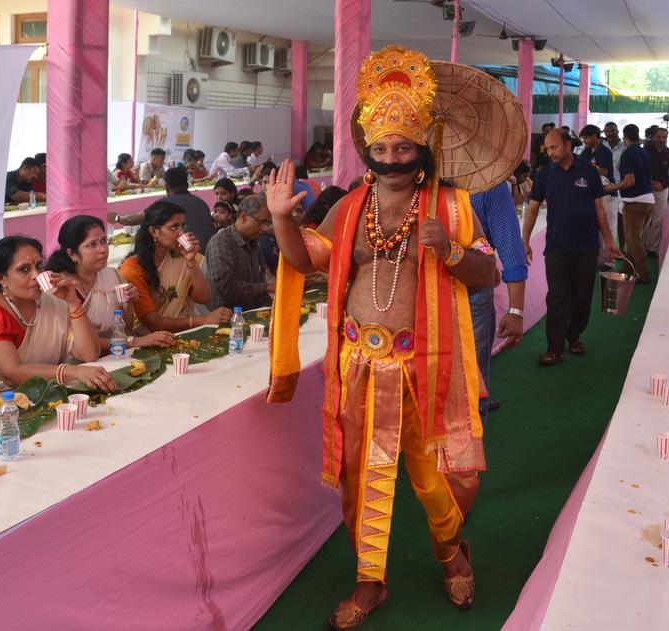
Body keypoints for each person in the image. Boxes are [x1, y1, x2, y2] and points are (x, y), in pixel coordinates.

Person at [265, 45, 498, 628]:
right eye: (381, 148)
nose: (391, 158)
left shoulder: (452, 204)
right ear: (367, 150)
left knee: (434, 478)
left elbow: (489, 273)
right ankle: (370, 580)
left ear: (423, 149)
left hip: (425, 367)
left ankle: (450, 552)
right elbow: (304, 260)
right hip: (358, 364)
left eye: (403, 147)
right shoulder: (349, 208)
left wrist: (451, 249)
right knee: (360, 477)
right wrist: (280, 219)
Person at [0, 237, 116, 411]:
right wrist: (72, 372)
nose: (36, 275)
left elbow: (89, 353)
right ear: (2, 278)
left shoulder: (52, 301)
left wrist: (73, 303)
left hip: (32, 398)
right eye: (24, 270)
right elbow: (12, 373)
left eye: (38, 266)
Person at [524, 129, 621, 366]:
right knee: (557, 298)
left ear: (568, 145)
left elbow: (599, 209)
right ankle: (554, 349)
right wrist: (524, 240)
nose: (550, 153)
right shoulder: (544, 174)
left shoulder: (588, 170)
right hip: (556, 248)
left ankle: (574, 335)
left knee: (582, 298)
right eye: (547, 149)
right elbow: (533, 208)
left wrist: (609, 241)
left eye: (554, 147)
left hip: (587, 247)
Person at [44, 215, 175, 351]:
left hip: (116, 352)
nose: (102, 249)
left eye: (103, 241)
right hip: (78, 362)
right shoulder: (60, 288)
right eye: (92, 244)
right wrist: (136, 342)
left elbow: (126, 328)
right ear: (72, 254)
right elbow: (75, 343)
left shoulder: (113, 275)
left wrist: (128, 303)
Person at [118, 202, 231, 334]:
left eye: (183, 226)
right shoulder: (133, 267)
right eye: (174, 227)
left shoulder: (179, 257)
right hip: (149, 339)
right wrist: (203, 320)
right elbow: (152, 323)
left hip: (182, 331)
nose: (181, 233)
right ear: (153, 231)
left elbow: (204, 298)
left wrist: (191, 262)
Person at [468, 180, 528, 417]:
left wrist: (516, 311)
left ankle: (470, 451)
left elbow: (510, 247)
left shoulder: (488, 182)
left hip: (472, 294)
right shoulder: (415, 174)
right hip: (417, 297)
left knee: (473, 383)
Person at [107, 168, 218, 251]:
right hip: (209, 254)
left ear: (167, 188)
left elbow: (135, 219)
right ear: (187, 185)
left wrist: (116, 218)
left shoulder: (165, 204)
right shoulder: (201, 202)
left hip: (189, 256)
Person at [204, 194, 274, 310]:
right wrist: (267, 287)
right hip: (230, 318)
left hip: (254, 312)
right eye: (262, 222)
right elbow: (226, 287)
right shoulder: (221, 242)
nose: (265, 228)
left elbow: (260, 283)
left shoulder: (253, 242)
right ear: (243, 217)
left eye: (268, 223)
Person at [605, 124, 655, 281]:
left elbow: (629, 181)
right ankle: (627, 270)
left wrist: (612, 187)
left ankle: (643, 274)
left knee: (633, 240)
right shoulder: (644, 153)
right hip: (648, 200)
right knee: (633, 239)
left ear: (625, 136)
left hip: (635, 201)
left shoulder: (627, 155)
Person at [580, 125, 619, 258]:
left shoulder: (605, 151)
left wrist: (590, 167)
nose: (584, 141)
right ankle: (597, 260)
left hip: (608, 194)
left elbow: (605, 172)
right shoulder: (586, 152)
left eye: (586, 138)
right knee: (595, 228)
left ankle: (609, 260)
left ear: (595, 136)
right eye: (583, 138)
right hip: (593, 194)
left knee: (609, 227)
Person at [645, 127, 669, 255]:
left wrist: (663, 184)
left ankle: (653, 247)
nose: (661, 139)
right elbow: (641, 170)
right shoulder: (646, 152)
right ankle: (642, 246)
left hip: (662, 188)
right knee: (646, 219)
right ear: (653, 137)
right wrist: (651, 182)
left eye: (664, 137)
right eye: (659, 137)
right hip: (646, 188)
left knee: (659, 218)